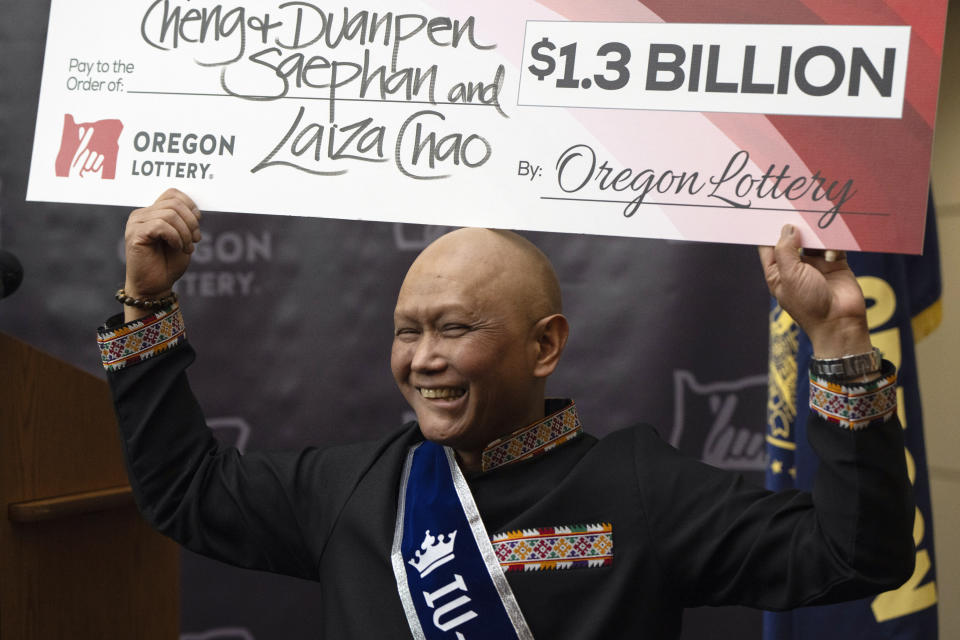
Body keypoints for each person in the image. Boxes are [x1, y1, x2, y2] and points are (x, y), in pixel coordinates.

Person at [98, 188, 914, 639]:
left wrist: (840, 337)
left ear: (545, 345)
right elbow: (182, 489)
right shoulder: (351, 487)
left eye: (454, 329)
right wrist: (148, 301)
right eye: (407, 333)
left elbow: (853, 558)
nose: (423, 359)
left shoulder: (640, 488)